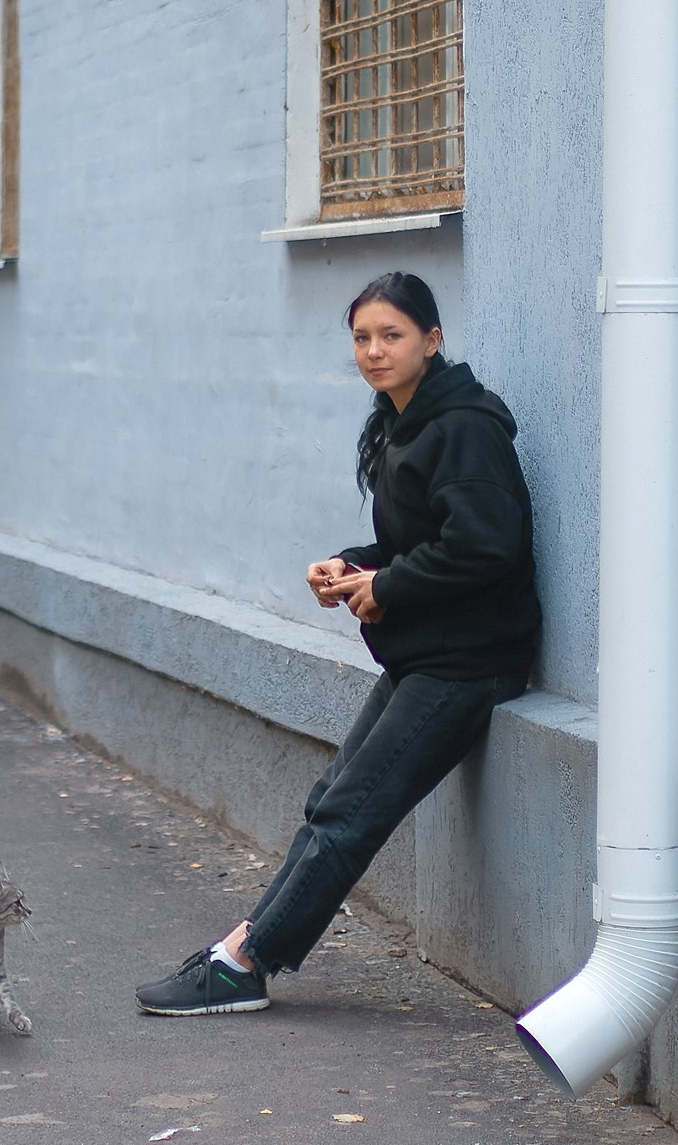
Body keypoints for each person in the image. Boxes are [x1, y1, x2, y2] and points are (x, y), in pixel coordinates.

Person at [135, 272, 540, 1016]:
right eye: (362, 338)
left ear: (432, 340)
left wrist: (388, 586)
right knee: (331, 803)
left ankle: (245, 964)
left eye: (392, 335)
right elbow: (417, 543)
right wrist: (351, 567)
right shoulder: (403, 423)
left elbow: (486, 547)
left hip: (469, 662)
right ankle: (240, 951)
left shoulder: (466, 428)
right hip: (427, 654)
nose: (374, 351)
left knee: (350, 814)